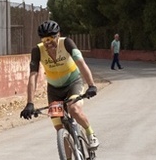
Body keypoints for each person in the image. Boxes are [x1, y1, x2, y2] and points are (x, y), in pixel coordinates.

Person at [20, 20, 99, 148]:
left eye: (51, 39)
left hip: (73, 83)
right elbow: (32, 76)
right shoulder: (37, 50)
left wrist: (91, 85)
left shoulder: (66, 43)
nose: (49, 43)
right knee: (59, 127)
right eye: (45, 40)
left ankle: (90, 134)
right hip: (54, 90)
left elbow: (81, 63)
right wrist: (29, 103)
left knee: (74, 109)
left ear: (58, 35)